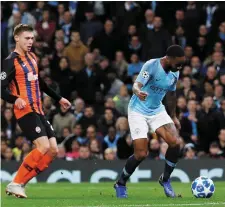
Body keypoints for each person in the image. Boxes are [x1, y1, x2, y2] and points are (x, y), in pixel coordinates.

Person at [1, 24, 71, 198]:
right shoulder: (10, 61)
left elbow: (41, 83)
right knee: (43, 146)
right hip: (25, 111)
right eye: (27, 38)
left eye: (32, 38)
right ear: (17, 38)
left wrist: (59, 98)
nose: (30, 41)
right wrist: (15, 99)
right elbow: (1, 88)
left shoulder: (32, 57)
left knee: (53, 150)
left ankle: (20, 184)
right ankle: (16, 182)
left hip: (38, 110)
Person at [114, 45, 185, 198]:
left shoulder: (175, 72)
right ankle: (120, 183)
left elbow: (171, 95)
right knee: (141, 154)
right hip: (137, 110)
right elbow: (136, 84)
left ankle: (165, 179)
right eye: (178, 63)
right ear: (169, 58)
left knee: (175, 142)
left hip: (157, 110)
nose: (180, 66)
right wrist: (138, 91)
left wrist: (173, 116)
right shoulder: (151, 65)